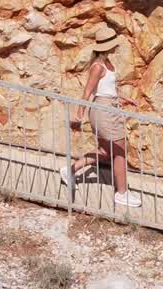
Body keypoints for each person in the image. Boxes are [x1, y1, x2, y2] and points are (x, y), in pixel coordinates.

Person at [60, 25, 143, 207]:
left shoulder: (107, 63)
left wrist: (127, 99)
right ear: (108, 46)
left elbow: (109, 90)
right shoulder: (97, 67)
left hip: (110, 107)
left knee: (106, 152)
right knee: (120, 150)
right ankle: (121, 193)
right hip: (103, 110)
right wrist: (80, 114)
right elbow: (88, 91)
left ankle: (70, 170)